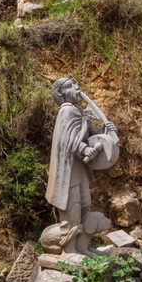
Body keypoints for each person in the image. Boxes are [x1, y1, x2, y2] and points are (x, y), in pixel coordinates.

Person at [46, 78, 116, 255]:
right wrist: (84, 149)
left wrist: (106, 132)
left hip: (79, 170)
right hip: (68, 171)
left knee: (85, 205)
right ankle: (69, 250)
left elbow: (92, 136)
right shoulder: (67, 111)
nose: (77, 88)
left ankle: (82, 247)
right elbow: (65, 140)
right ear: (61, 92)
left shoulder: (78, 111)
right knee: (72, 209)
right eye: (71, 86)